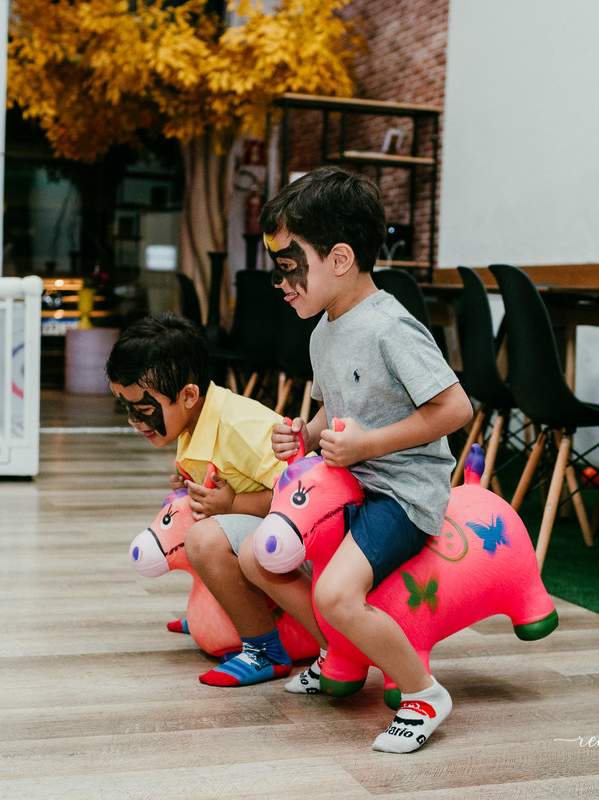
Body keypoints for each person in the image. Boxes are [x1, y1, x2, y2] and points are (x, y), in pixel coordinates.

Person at [238, 166, 473, 753]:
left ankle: (423, 693)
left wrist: (367, 445)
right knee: (258, 555)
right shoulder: (324, 330)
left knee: (334, 594)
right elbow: (335, 411)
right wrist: (306, 436)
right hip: (348, 480)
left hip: (401, 491)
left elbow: (455, 409)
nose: (282, 283)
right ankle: (340, 653)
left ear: (339, 258)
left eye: (290, 268)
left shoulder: (391, 327)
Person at [105, 313, 301, 687]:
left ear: (189, 396)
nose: (134, 420)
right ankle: (214, 610)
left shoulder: (238, 428)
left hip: (300, 543)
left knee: (204, 538)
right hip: (262, 533)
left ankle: (265, 649)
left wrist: (231, 506)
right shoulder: (195, 419)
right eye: (125, 408)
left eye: (143, 410)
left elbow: (300, 497)